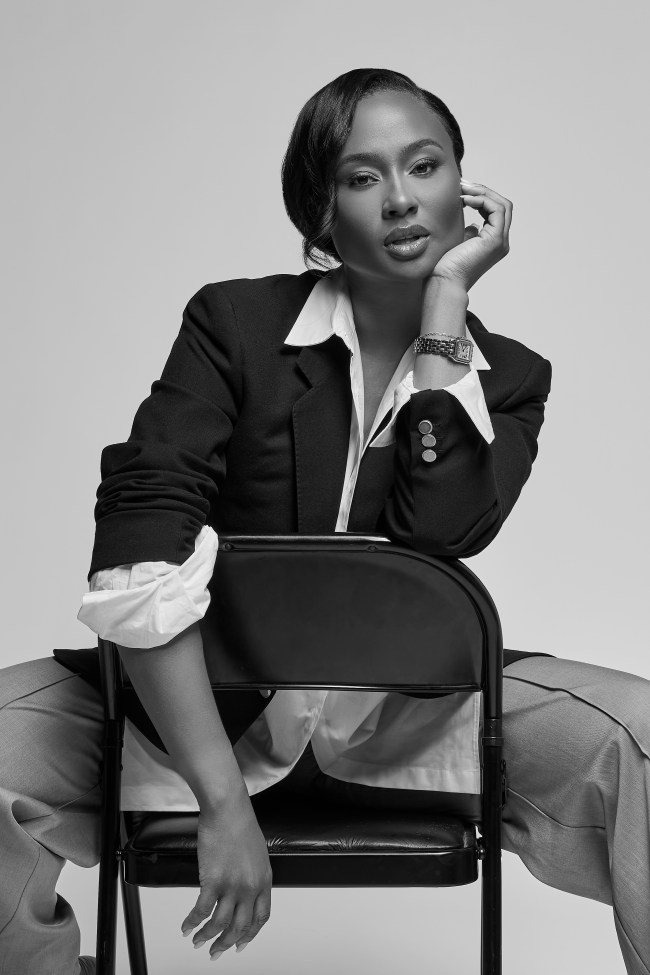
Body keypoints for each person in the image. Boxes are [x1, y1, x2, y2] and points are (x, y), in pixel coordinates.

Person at [1, 67, 649, 975]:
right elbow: (141, 539)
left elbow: (441, 533)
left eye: (424, 166)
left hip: (415, 721)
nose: (400, 198)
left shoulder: (508, 378)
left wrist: (445, 310)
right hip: (195, 719)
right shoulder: (234, 324)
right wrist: (222, 800)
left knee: (637, 734)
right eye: (362, 176)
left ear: (464, 189)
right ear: (320, 209)